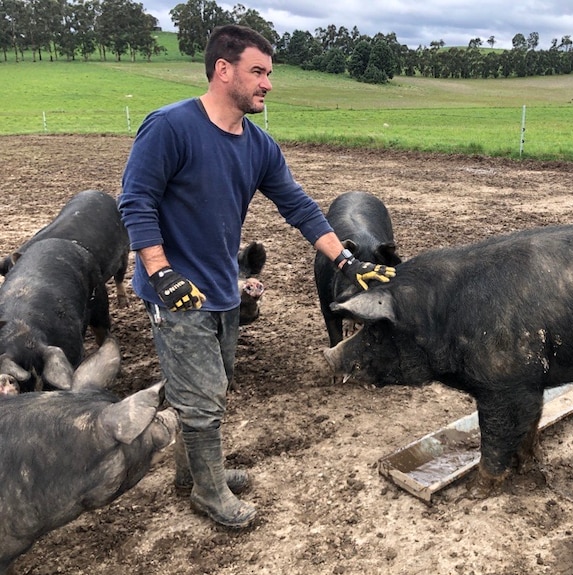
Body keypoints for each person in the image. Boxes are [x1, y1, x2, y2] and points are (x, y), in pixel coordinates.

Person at [118, 24, 395, 529]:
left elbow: (299, 206)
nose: (268, 83)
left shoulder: (258, 145)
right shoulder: (170, 127)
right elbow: (135, 202)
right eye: (258, 72)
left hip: (223, 286)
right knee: (200, 397)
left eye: (269, 73)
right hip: (176, 291)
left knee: (210, 388)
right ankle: (208, 491)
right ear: (223, 71)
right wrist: (159, 271)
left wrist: (345, 261)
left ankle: (194, 472)